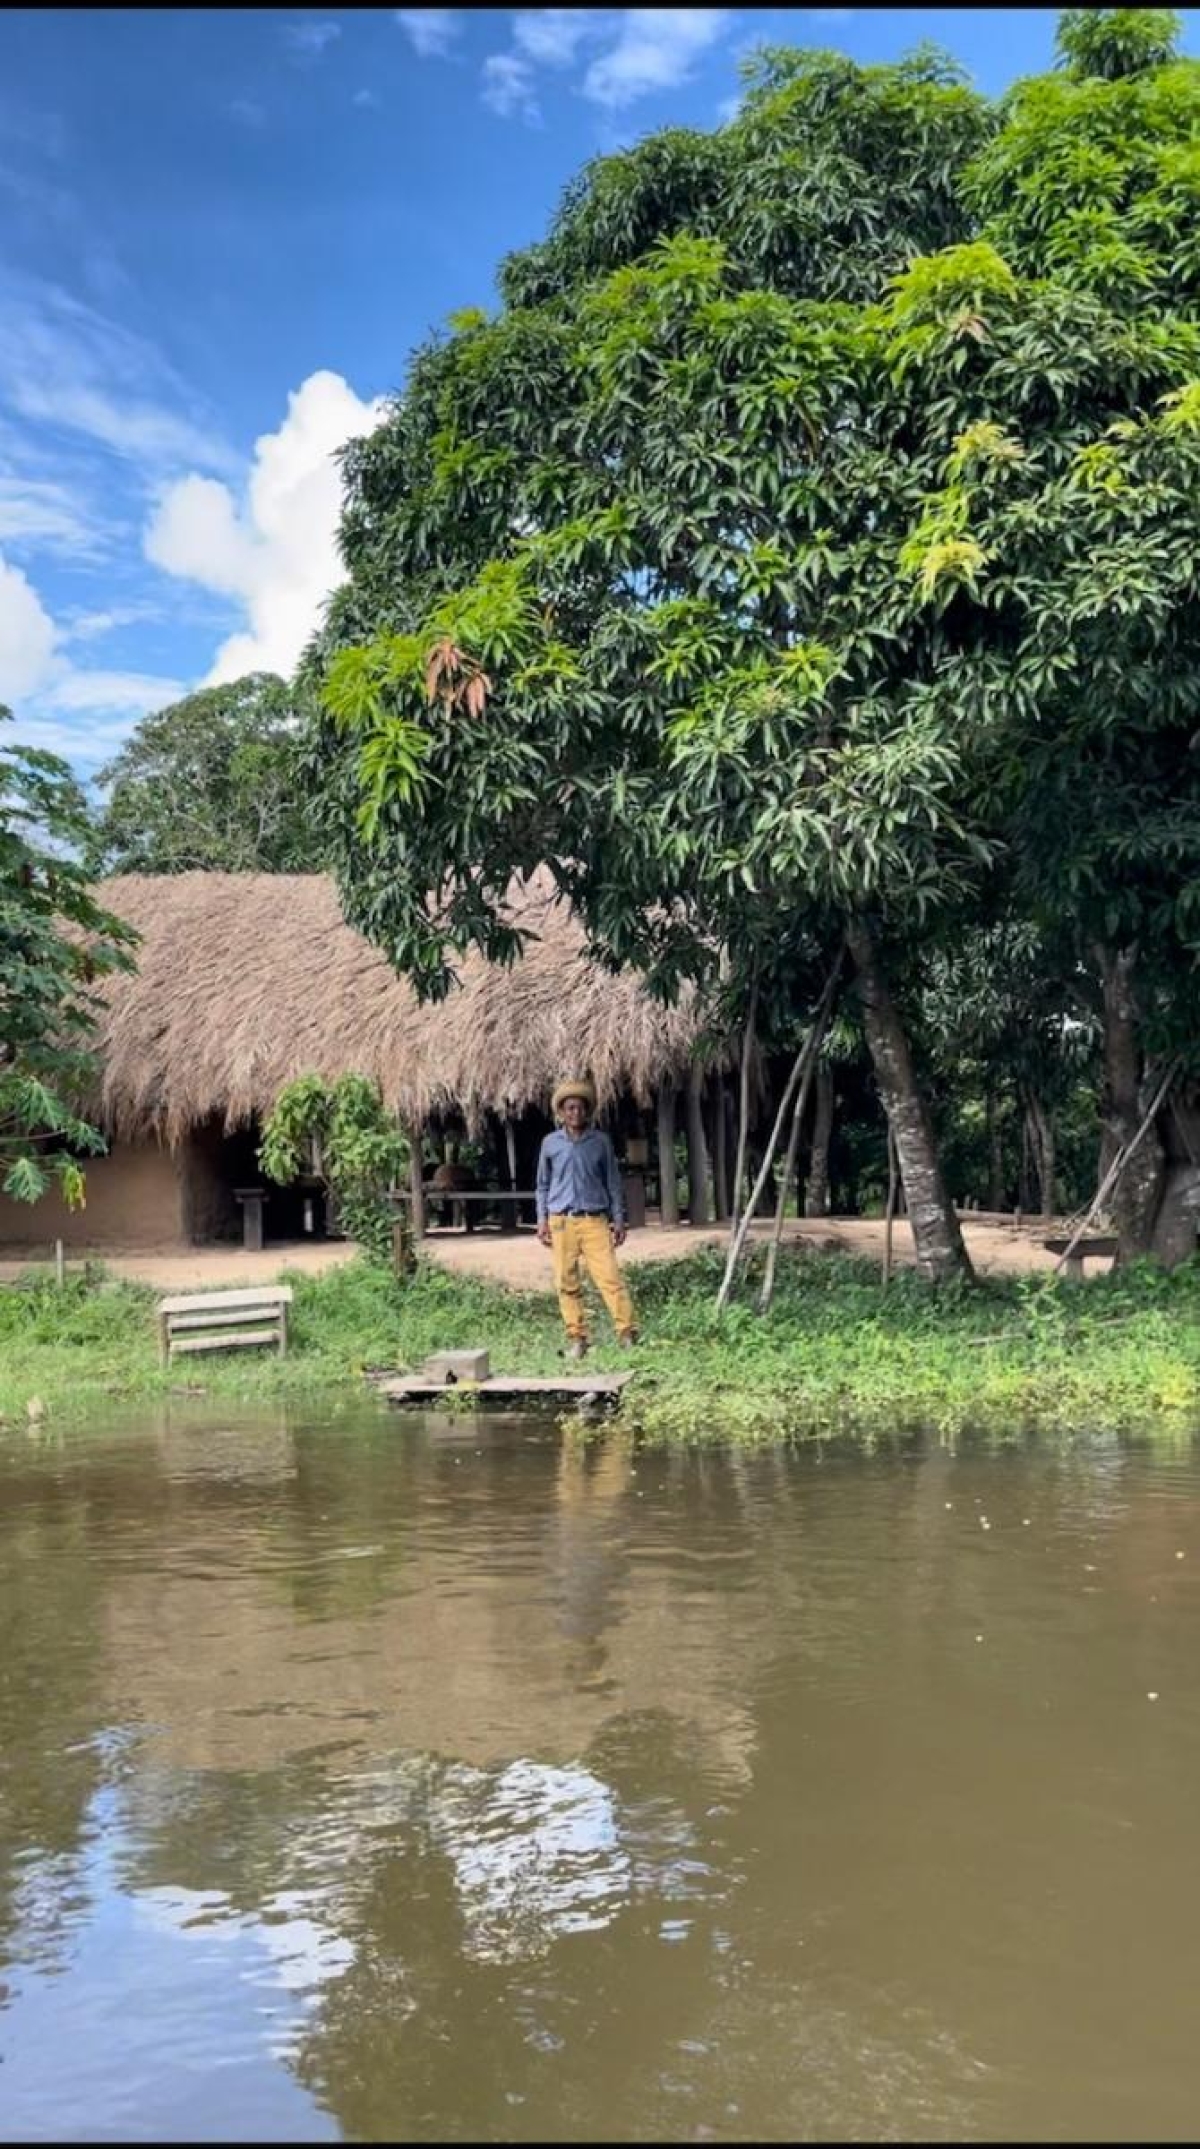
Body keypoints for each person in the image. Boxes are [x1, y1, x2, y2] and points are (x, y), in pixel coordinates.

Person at [536, 1078, 638, 1358]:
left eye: (580, 1108)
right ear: (561, 1112)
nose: (575, 1113)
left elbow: (613, 1182)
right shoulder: (550, 1144)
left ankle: (627, 1333)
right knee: (566, 1283)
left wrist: (619, 1219)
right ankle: (577, 1339)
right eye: (569, 1108)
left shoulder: (600, 1143)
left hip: (594, 1220)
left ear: (587, 1111)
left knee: (610, 1278)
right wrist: (542, 1219)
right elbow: (542, 1185)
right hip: (561, 1221)